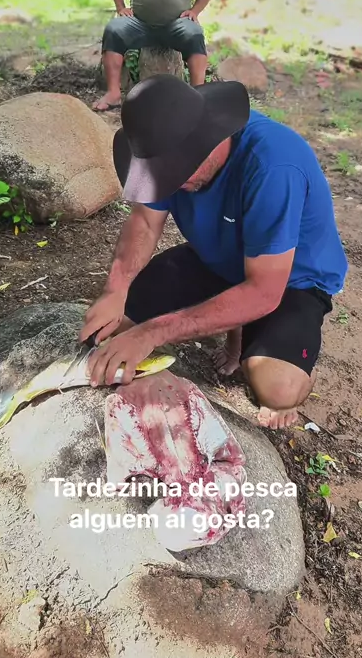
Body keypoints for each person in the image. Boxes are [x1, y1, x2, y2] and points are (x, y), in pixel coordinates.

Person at [81, 75, 348, 429]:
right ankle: (234, 321)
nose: (171, 185)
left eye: (176, 175)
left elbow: (264, 290)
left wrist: (152, 333)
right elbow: (145, 222)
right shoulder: (165, 141)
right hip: (217, 258)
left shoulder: (274, 165)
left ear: (208, 140)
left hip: (290, 280)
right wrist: (116, 289)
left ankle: (279, 352)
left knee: (278, 388)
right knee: (113, 328)